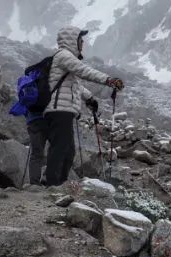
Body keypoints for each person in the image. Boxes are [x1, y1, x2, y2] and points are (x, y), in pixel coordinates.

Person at [43, 25, 124, 186]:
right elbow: (83, 71)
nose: (83, 43)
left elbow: (76, 85)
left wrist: (89, 98)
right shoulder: (64, 55)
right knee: (60, 147)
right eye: (81, 40)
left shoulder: (65, 59)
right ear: (73, 40)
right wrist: (109, 80)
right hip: (59, 110)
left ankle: (60, 183)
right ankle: (51, 184)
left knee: (68, 150)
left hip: (63, 110)